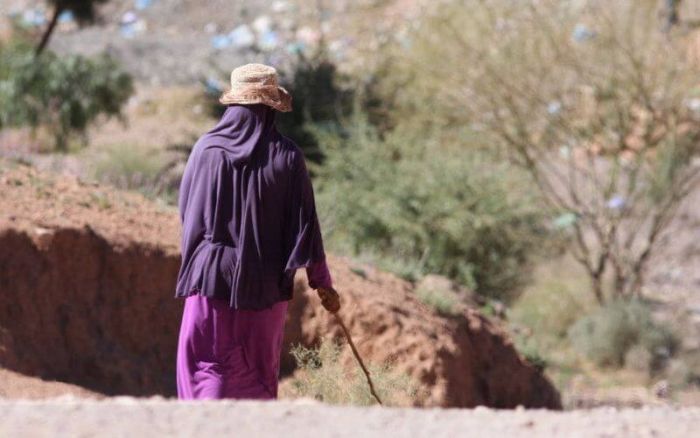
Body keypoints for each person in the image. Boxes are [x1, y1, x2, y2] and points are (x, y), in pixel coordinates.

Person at [174, 63, 340, 400]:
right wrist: (322, 282)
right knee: (256, 372)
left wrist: (202, 256)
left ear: (234, 104)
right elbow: (306, 226)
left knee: (208, 366)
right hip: (265, 281)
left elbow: (187, 212)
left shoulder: (206, 150)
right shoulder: (288, 157)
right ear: (270, 108)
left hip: (210, 275)